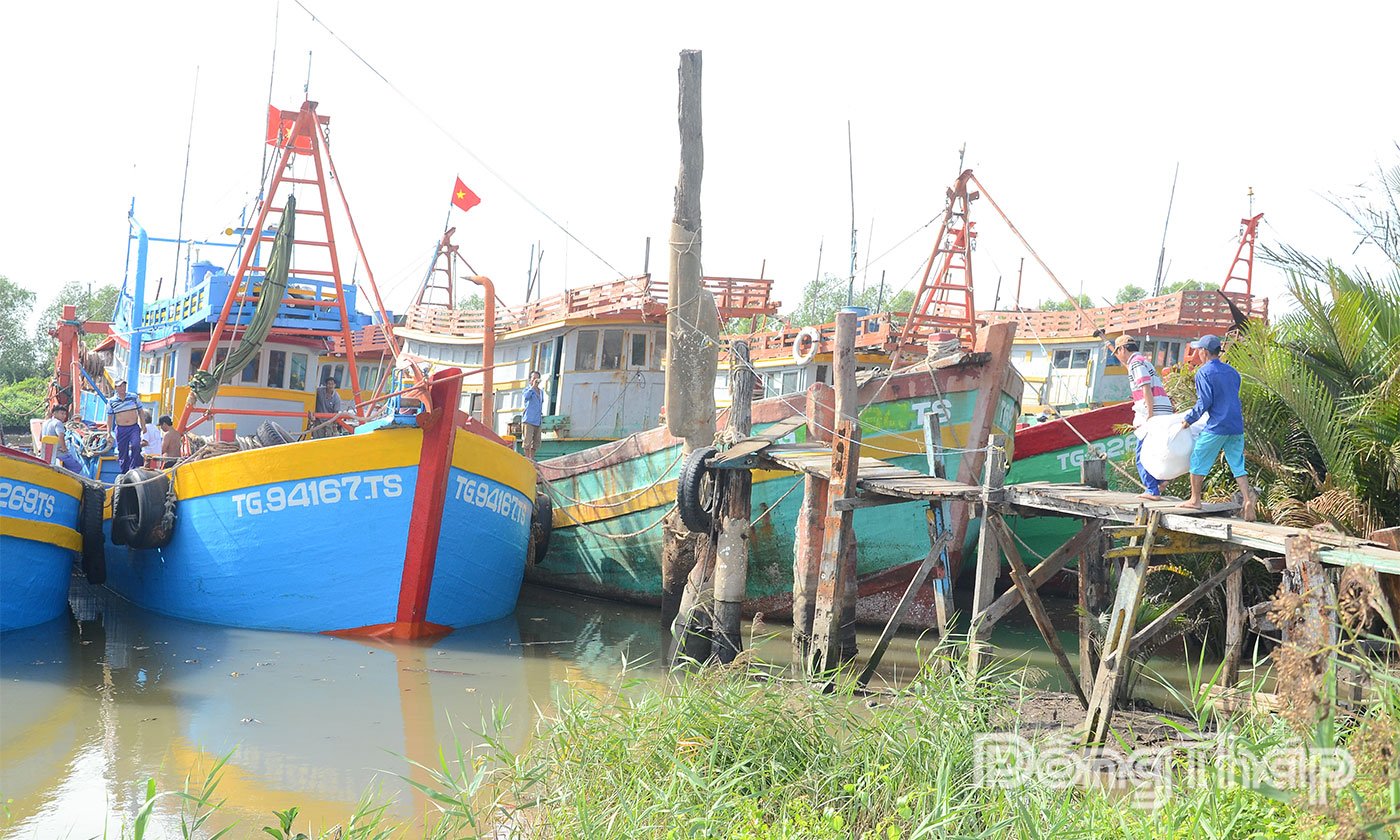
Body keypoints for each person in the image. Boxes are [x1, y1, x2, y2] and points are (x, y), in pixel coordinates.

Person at [1180, 334, 1255, 519]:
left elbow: (1204, 401)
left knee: (1197, 458)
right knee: (1237, 464)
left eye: (1198, 350)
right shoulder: (1232, 372)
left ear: (1204, 352)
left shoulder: (1204, 372)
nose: (1197, 353)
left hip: (1217, 425)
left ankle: (1195, 499)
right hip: (1236, 425)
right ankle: (1246, 498)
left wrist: (1189, 419)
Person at [1098, 332, 1174, 500]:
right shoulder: (1143, 361)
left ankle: (1152, 490)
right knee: (1156, 450)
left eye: (1117, 352)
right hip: (1163, 410)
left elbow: (1146, 388)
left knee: (1142, 454)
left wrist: (1150, 415)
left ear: (1123, 349)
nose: (1118, 355)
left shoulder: (1135, 364)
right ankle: (1161, 480)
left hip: (1153, 412)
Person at [106, 379, 145, 473]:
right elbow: (110, 418)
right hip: (121, 428)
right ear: (116, 388)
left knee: (136, 445)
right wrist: (108, 433)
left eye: (124, 386)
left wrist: (143, 426)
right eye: (120, 386)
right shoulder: (112, 401)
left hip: (133, 427)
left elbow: (140, 411)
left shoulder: (133, 397)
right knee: (123, 451)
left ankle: (133, 468)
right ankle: (124, 471)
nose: (123, 388)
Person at [41, 404, 83, 474]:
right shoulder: (58, 423)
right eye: (62, 413)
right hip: (58, 453)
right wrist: (64, 448)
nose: (64, 416)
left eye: (65, 414)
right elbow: (61, 436)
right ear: (54, 413)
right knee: (77, 467)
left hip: (46, 453)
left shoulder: (45, 422)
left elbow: (40, 438)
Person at [521, 370, 544, 461]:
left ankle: (532, 458)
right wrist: (533, 387)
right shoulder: (527, 389)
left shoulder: (541, 392)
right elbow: (526, 396)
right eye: (533, 378)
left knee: (536, 441)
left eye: (537, 378)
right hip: (529, 419)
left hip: (537, 420)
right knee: (527, 441)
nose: (535, 380)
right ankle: (527, 458)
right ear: (530, 380)